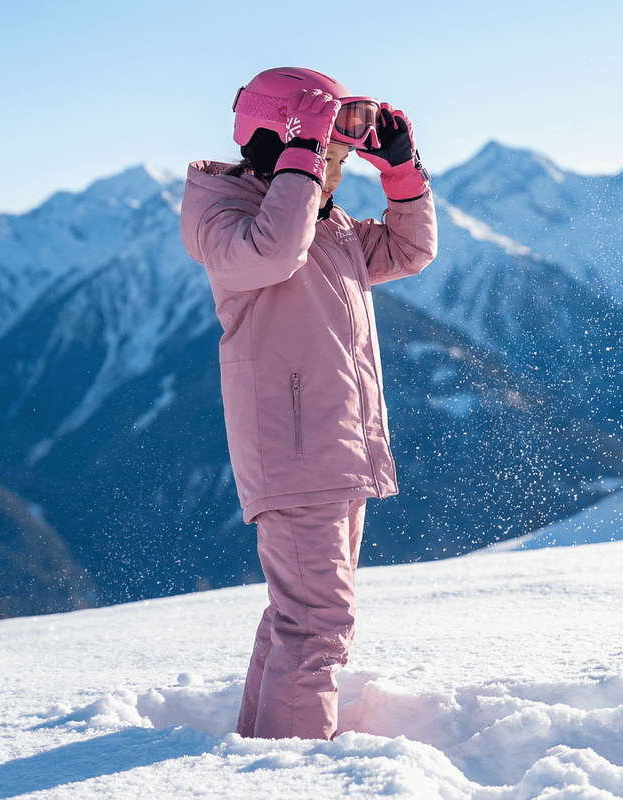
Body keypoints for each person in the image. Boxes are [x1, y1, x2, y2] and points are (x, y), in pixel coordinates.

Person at [180, 66, 437, 740]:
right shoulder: (226, 221)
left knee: (295, 617)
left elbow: (411, 249)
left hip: (339, 450)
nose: (341, 172)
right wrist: (303, 162)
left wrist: (404, 174)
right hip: (295, 453)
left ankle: (261, 758)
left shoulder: (333, 226)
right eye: (334, 155)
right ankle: (289, 771)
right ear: (283, 146)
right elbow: (273, 252)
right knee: (318, 626)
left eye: (346, 157)